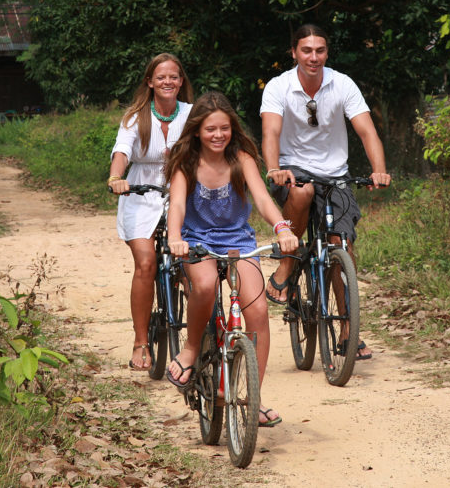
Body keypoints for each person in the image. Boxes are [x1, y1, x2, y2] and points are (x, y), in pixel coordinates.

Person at [164, 92, 298, 428]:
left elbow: (264, 200)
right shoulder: (186, 162)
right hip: (196, 242)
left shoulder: (241, 158)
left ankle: (253, 398)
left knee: (258, 311)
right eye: (211, 129)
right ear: (197, 130)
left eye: (224, 128)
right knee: (206, 285)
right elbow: (177, 205)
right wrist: (175, 238)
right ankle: (192, 349)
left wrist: (282, 227)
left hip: (238, 242)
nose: (218, 135)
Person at [260, 23, 392, 360]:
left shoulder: (342, 83)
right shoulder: (279, 87)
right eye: (306, 50)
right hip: (294, 169)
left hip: (336, 173)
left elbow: (366, 130)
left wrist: (379, 169)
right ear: (294, 53)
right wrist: (275, 168)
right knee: (302, 195)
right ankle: (288, 264)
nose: (313, 57)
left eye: (320, 50)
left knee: (341, 244)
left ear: (327, 53)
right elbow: (271, 133)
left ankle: (349, 328)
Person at [107, 53, 194, 371]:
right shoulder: (136, 117)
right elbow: (122, 151)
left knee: (189, 264)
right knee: (146, 263)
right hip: (140, 192)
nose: (168, 82)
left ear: (181, 82)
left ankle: (202, 336)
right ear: (150, 82)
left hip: (182, 191)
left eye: (173, 76)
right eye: (161, 77)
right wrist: (117, 177)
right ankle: (141, 341)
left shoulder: (192, 114)